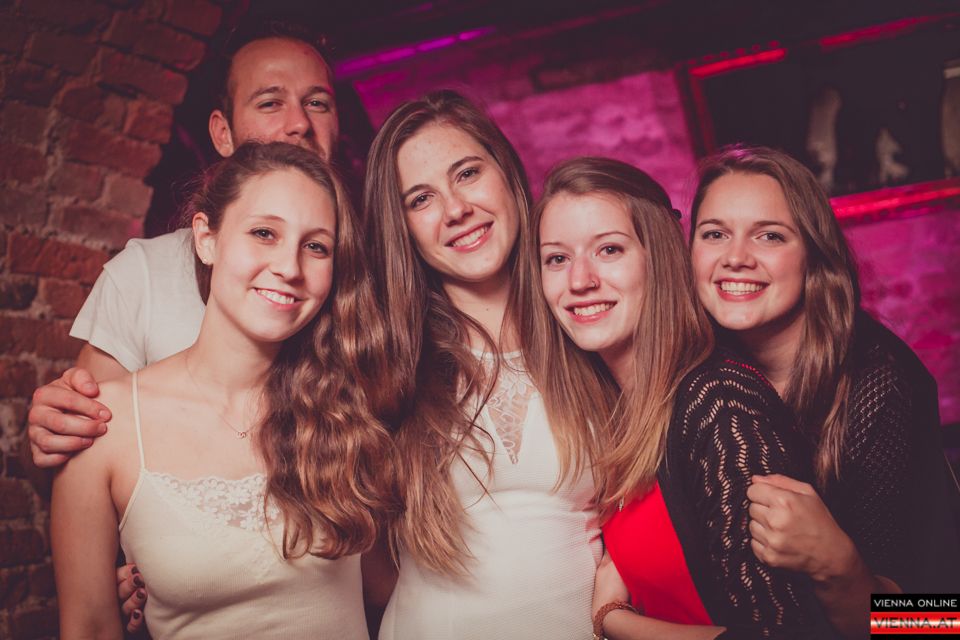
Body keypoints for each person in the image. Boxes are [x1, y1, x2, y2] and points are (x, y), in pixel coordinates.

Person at [52, 141, 393, 639]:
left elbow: (386, 586)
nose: (290, 267)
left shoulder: (346, 410)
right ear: (206, 239)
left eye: (316, 246)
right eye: (264, 233)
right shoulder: (108, 424)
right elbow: (89, 627)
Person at [532, 157, 838, 639]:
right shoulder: (617, 412)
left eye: (609, 249)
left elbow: (788, 634)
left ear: (659, 258)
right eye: (557, 258)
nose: (579, 280)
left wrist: (613, 618)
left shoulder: (717, 403)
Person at [29, 17, 340, 465]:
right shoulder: (142, 275)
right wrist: (50, 435)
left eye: (317, 103)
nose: (299, 123)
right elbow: (75, 456)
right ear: (222, 133)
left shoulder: (377, 274)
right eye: (270, 102)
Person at [364, 90, 613, 639]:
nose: (456, 209)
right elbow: (364, 562)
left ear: (507, 172)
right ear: (401, 227)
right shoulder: (388, 362)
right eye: (421, 199)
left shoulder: (590, 326)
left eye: (468, 173)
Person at [689, 145, 960, 636]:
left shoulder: (879, 386)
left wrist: (840, 568)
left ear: (814, 255)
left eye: (770, 235)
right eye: (715, 234)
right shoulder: (698, 370)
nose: (735, 258)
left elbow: (931, 621)